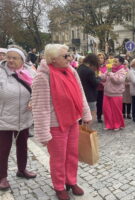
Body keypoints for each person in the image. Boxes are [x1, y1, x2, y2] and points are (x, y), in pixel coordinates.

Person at [31, 44, 92, 200]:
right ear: (53, 59)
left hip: (72, 120)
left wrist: (85, 113)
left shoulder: (71, 71)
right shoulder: (42, 77)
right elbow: (40, 106)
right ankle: (59, 186)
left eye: (69, 55)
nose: (70, 58)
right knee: (58, 158)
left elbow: (80, 93)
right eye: (65, 56)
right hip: (55, 124)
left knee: (72, 154)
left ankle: (71, 181)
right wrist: (43, 133)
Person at [0, 46, 37, 191]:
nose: (10, 60)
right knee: (3, 149)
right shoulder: (1, 73)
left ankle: (22, 170)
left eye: (14, 58)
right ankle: (2, 176)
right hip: (4, 117)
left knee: (23, 145)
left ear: (22, 60)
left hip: (24, 116)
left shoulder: (29, 72)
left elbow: (38, 89)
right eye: (8, 57)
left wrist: (33, 99)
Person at [102, 56, 127, 131]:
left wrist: (111, 74)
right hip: (107, 93)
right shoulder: (110, 69)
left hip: (116, 94)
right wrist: (102, 74)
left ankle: (117, 125)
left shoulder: (123, 71)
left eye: (116, 61)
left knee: (116, 111)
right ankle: (108, 125)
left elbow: (119, 81)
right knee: (107, 110)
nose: (114, 63)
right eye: (114, 61)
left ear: (121, 63)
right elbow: (103, 78)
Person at [77, 54, 101, 122]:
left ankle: (83, 131)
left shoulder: (80, 67)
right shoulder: (90, 71)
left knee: (82, 116)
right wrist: (99, 78)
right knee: (91, 115)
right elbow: (95, 83)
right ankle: (88, 131)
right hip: (90, 96)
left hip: (81, 95)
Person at [96, 53, 107, 123]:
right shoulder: (95, 67)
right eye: (99, 58)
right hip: (98, 88)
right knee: (99, 103)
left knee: (105, 103)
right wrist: (102, 83)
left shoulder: (107, 67)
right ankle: (99, 116)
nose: (100, 59)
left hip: (106, 88)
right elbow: (96, 77)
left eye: (102, 58)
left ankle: (106, 116)